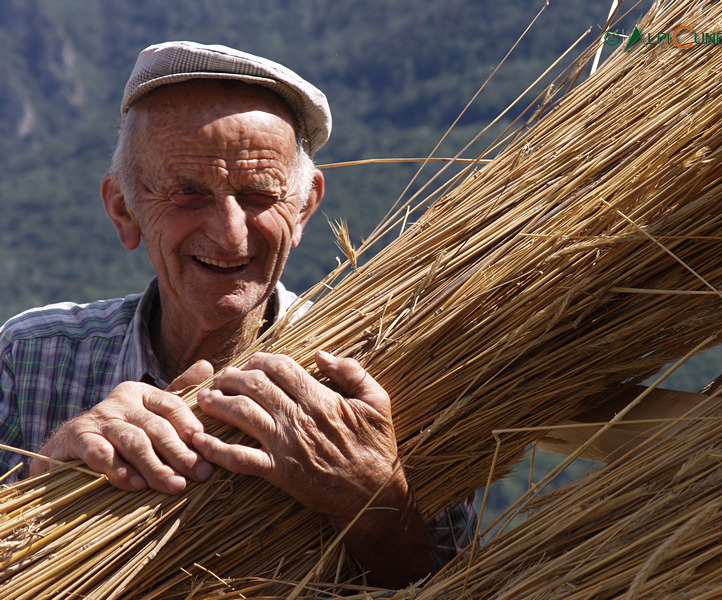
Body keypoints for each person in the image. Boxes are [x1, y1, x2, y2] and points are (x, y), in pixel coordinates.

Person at [0, 41, 472, 589]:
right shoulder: (31, 354)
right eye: (187, 193)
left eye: (257, 194)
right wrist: (42, 477)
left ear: (304, 208)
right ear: (123, 210)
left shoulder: (386, 375)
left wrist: (377, 503)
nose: (229, 234)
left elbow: (470, 584)